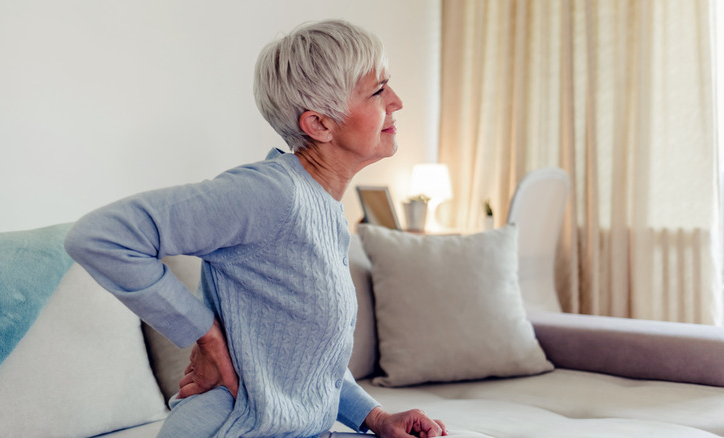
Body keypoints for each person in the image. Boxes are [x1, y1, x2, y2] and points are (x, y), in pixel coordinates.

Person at [65, 19, 448, 437]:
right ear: (319, 124)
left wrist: (376, 419)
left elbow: (305, 364)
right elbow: (100, 236)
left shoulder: (323, 208)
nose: (397, 101)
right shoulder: (269, 193)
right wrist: (206, 336)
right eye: (378, 91)